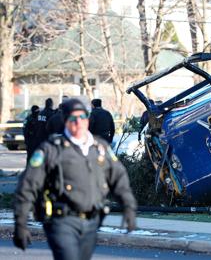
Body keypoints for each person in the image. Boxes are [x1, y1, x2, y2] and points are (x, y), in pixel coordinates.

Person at [13, 98, 137, 260]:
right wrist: (20, 222)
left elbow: (119, 178)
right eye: (73, 118)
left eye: (82, 117)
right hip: (61, 221)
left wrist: (128, 207)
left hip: (92, 221)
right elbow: (28, 185)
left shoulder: (100, 148)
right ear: (65, 121)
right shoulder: (51, 149)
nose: (78, 122)